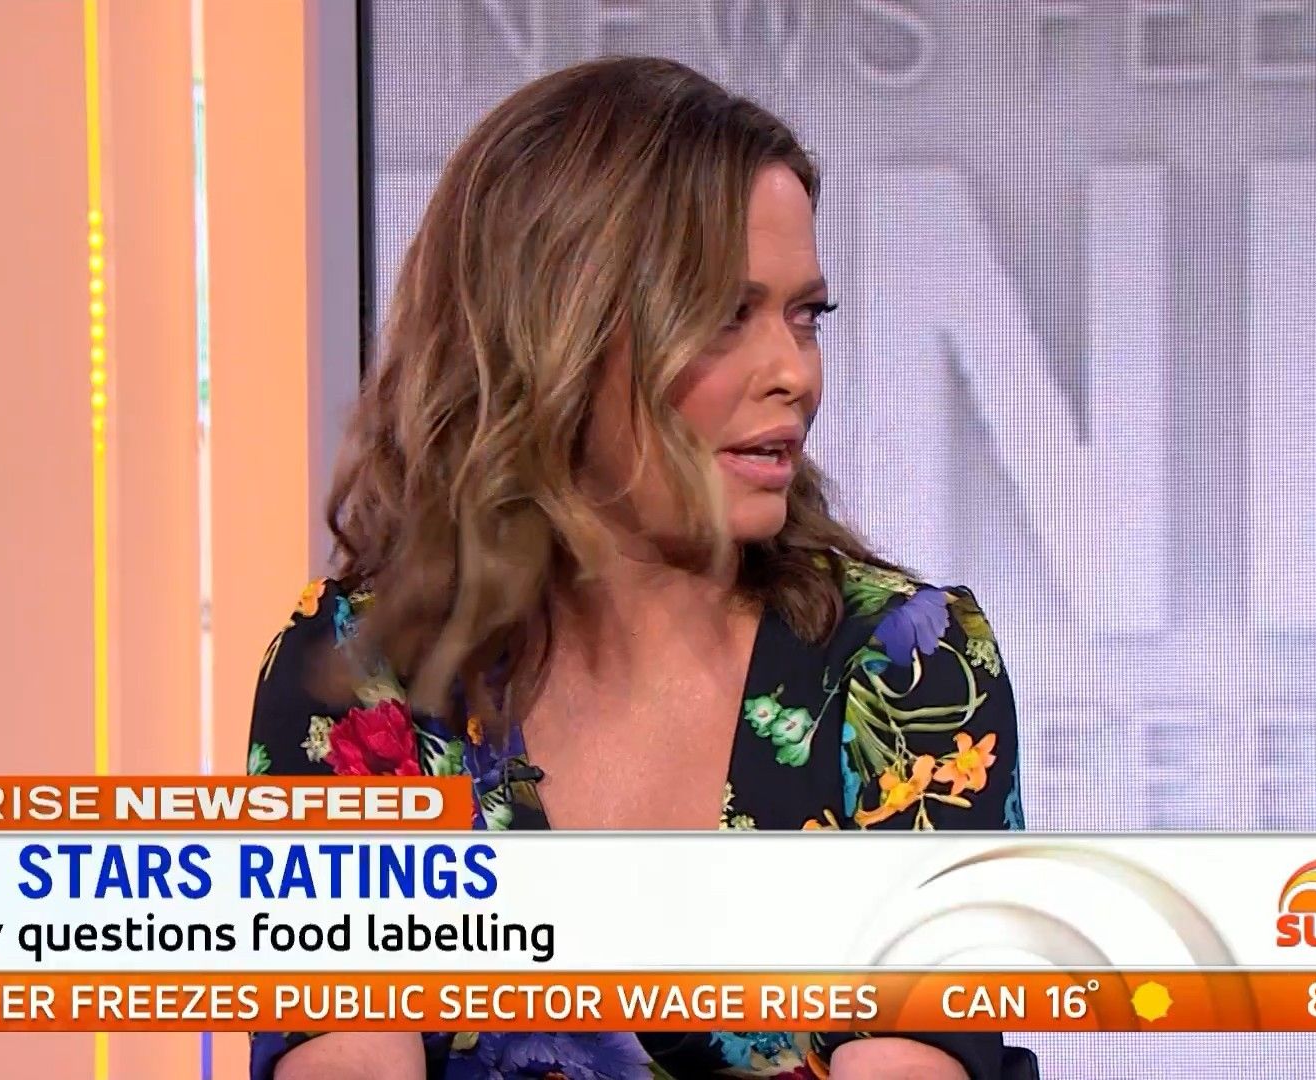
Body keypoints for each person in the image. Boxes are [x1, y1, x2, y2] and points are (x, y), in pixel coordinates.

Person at [246, 55, 1024, 1080]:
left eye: (805, 315)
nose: (794, 371)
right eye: (725, 315)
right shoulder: (360, 676)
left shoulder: (906, 667)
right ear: (557, 336)